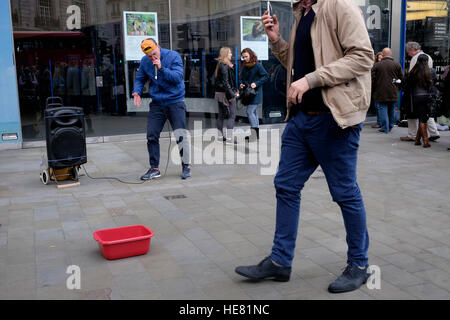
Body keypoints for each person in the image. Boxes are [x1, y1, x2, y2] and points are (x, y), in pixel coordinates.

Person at [235, 0, 373, 294]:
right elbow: (297, 64)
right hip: (300, 121)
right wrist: (276, 41)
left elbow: (363, 57)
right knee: (285, 185)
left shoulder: (340, 6)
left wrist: (311, 80)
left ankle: (359, 265)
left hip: (334, 120)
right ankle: (280, 262)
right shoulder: (303, 13)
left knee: (345, 193)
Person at [132, 38, 191, 180]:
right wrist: (137, 91)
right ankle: (154, 168)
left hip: (175, 101)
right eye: (149, 56)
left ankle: (186, 166)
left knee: (180, 135)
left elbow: (177, 78)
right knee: (151, 135)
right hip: (157, 103)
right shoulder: (145, 61)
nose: (152, 58)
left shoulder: (173, 56)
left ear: (158, 46)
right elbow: (140, 79)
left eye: (154, 54)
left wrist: (161, 68)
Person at [400, 42, 440, 142]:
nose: (408, 54)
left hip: (416, 92)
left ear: (412, 49)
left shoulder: (415, 59)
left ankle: (412, 135)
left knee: (412, 113)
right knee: (427, 113)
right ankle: (434, 132)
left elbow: (412, 77)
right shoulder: (429, 57)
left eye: (408, 51)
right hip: (428, 92)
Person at [371, 48, 403, 133]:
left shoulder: (377, 65)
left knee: (382, 109)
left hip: (380, 92)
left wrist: (374, 89)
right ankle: (390, 125)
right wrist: (397, 88)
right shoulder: (397, 64)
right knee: (391, 109)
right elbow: (401, 78)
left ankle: (385, 127)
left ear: (383, 54)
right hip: (393, 91)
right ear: (391, 54)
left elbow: (372, 79)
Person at [239, 48, 269, 140]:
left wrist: (256, 83)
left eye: (246, 56)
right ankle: (255, 135)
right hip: (248, 93)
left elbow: (266, 76)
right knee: (254, 113)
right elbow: (242, 78)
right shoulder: (245, 66)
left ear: (251, 55)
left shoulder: (258, 65)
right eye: (243, 57)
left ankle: (254, 135)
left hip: (256, 93)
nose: (245, 58)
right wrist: (242, 84)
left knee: (249, 111)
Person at [214, 47, 239, 143]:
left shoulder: (220, 64)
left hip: (220, 93)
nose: (231, 54)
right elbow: (226, 82)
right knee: (232, 116)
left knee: (221, 115)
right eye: (230, 53)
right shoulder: (224, 65)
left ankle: (220, 137)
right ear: (225, 54)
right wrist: (232, 95)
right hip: (226, 93)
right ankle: (229, 138)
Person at [371, 51, 384, 129]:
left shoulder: (378, 66)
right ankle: (381, 122)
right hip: (376, 88)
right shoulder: (375, 65)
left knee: (379, 106)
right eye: (379, 58)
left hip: (380, 89)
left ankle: (380, 123)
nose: (380, 59)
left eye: (381, 57)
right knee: (378, 106)